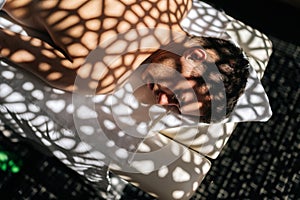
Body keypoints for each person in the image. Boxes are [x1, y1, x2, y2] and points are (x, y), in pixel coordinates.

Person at [0, 0, 249, 122]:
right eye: (177, 97)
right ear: (195, 56)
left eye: (173, 108)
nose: (161, 101)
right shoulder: (101, 75)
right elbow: (6, 44)